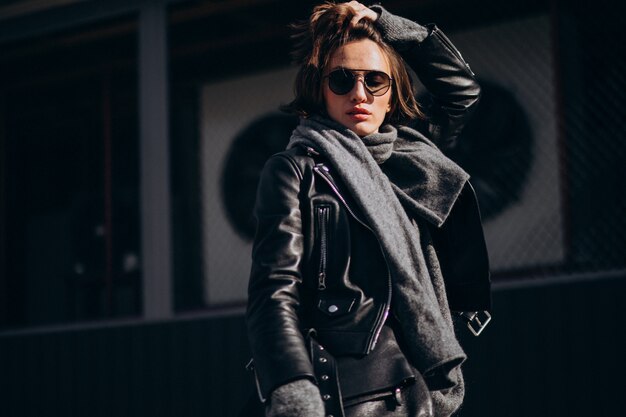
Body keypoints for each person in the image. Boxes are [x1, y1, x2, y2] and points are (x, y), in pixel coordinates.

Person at [244, 1, 491, 416]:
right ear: (319, 88)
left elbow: (462, 93)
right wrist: (292, 386)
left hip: (417, 389)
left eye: (375, 80)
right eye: (341, 80)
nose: (360, 94)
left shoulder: (413, 163)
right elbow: (274, 291)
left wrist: (390, 25)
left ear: (392, 91)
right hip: (345, 393)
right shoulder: (296, 169)